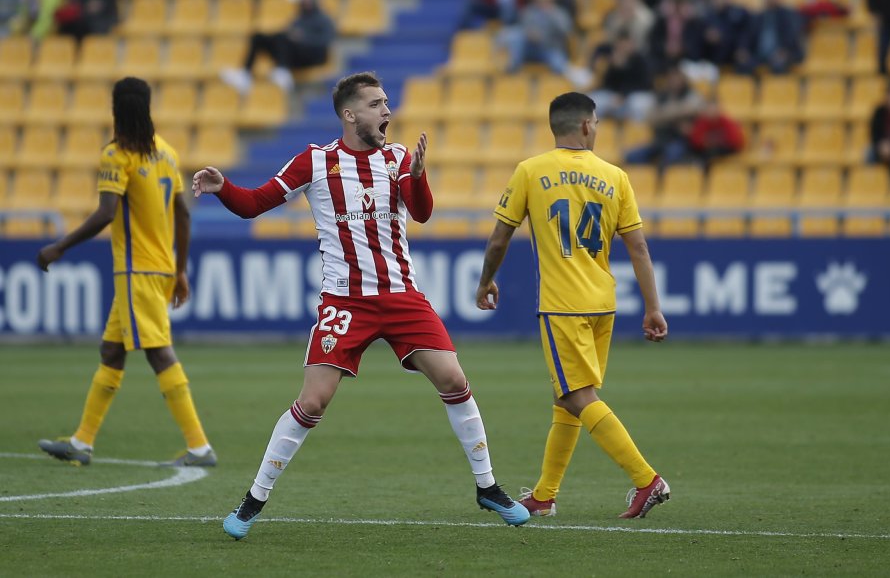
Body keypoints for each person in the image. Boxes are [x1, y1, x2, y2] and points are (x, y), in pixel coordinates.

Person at [192, 72, 528, 539]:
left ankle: (488, 487)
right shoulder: (315, 161)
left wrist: (417, 174)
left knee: (453, 378)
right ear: (350, 115)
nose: (386, 111)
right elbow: (252, 205)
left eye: (387, 102)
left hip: (402, 296)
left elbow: (423, 212)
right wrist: (223, 185)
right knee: (313, 400)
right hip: (346, 301)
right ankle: (253, 501)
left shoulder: (396, 158)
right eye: (375, 104)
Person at [475, 91, 671, 520]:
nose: (597, 129)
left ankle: (646, 478)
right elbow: (637, 245)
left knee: (577, 395)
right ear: (585, 125)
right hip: (603, 304)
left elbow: (499, 237)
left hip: (562, 305)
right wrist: (653, 307)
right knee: (566, 399)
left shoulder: (531, 171)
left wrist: (487, 280)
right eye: (597, 123)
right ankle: (545, 495)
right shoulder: (615, 176)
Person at [35, 78, 215, 468]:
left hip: (136, 271)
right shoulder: (166, 153)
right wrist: (179, 269)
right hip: (159, 268)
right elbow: (183, 213)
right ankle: (82, 443)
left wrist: (59, 246)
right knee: (112, 350)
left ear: (116, 109)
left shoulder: (117, 155)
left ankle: (199, 447)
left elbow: (106, 213)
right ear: (147, 107)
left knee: (158, 354)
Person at [220, 0, 335, 94]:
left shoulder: (324, 19)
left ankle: (282, 70)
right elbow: (289, 33)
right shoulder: (299, 18)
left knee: (283, 38)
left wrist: (303, 38)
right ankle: (245, 74)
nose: (306, 2)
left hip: (312, 56)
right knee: (259, 37)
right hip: (293, 54)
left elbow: (325, 41)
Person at [503, 0, 572, 75]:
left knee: (559, 64)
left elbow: (565, 31)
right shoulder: (528, 12)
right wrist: (530, 34)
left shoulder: (559, 13)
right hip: (530, 48)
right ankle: (513, 67)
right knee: (515, 35)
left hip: (550, 48)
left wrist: (551, 15)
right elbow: (523, 28)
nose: (542, 1)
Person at [734, 0, 805, 75]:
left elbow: (792, 36)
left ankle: (779, 89)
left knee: (779, 65)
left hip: (781, 53)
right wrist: (742, 49)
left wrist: (784, 51)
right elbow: (747, 35)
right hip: (759, 54)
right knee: (743, 64)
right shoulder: (758, 16)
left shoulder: (787, 15)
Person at [591, 34, 656, 122]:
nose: (624, 48)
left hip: (636, 94)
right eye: (621, 45)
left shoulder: (641, 60)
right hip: (615, 95)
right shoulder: (612, 59)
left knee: (638, 105)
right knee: (594, 101)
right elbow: (607, 84)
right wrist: (616, 68)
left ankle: (637, 131)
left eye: (627, 44)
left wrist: (624, 95)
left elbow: (644, 84)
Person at [687, 98, 745, 168]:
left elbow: (735, 141)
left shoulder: (727, 122)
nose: (712, 112)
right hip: (706, 151)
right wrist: (707, 143)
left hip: (724, 151)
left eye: (714, 109)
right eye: (710, 109)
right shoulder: (702, 122)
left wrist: (716, 142)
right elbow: (695, 140)